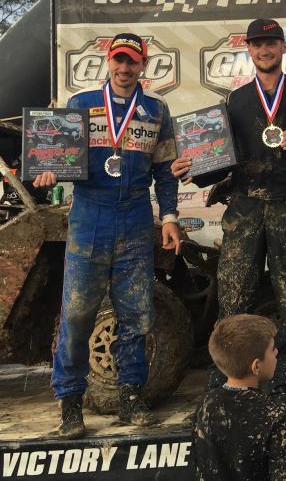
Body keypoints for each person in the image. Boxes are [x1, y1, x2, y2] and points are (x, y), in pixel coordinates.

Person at [172, 18, 286, 419]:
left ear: (283, 48)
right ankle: (222, 391)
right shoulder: (233, 103)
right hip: (245, 208)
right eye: (258, 44)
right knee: (232, 301)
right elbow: (219, 163)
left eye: (272, 43)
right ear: (249, 49)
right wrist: (192, 168)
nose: (265, 50)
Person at [33, 33, 182, 437]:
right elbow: (58, 155)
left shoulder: (155, 110)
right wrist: (50, 173)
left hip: (135, 214)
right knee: (77, 313)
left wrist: (170, 216)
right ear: (108, 61)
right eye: (118, 60)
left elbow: (165, 170)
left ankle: (131, 396)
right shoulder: (81, 104)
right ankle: (70, 403)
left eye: (132, 61)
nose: (124, 68)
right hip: (90, 214)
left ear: (143, 65)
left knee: (138, 313)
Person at [193, 314, 286, 481]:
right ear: (256, 366)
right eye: (272, 349)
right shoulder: (275, 415)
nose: (277, 352)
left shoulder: (205, 405)